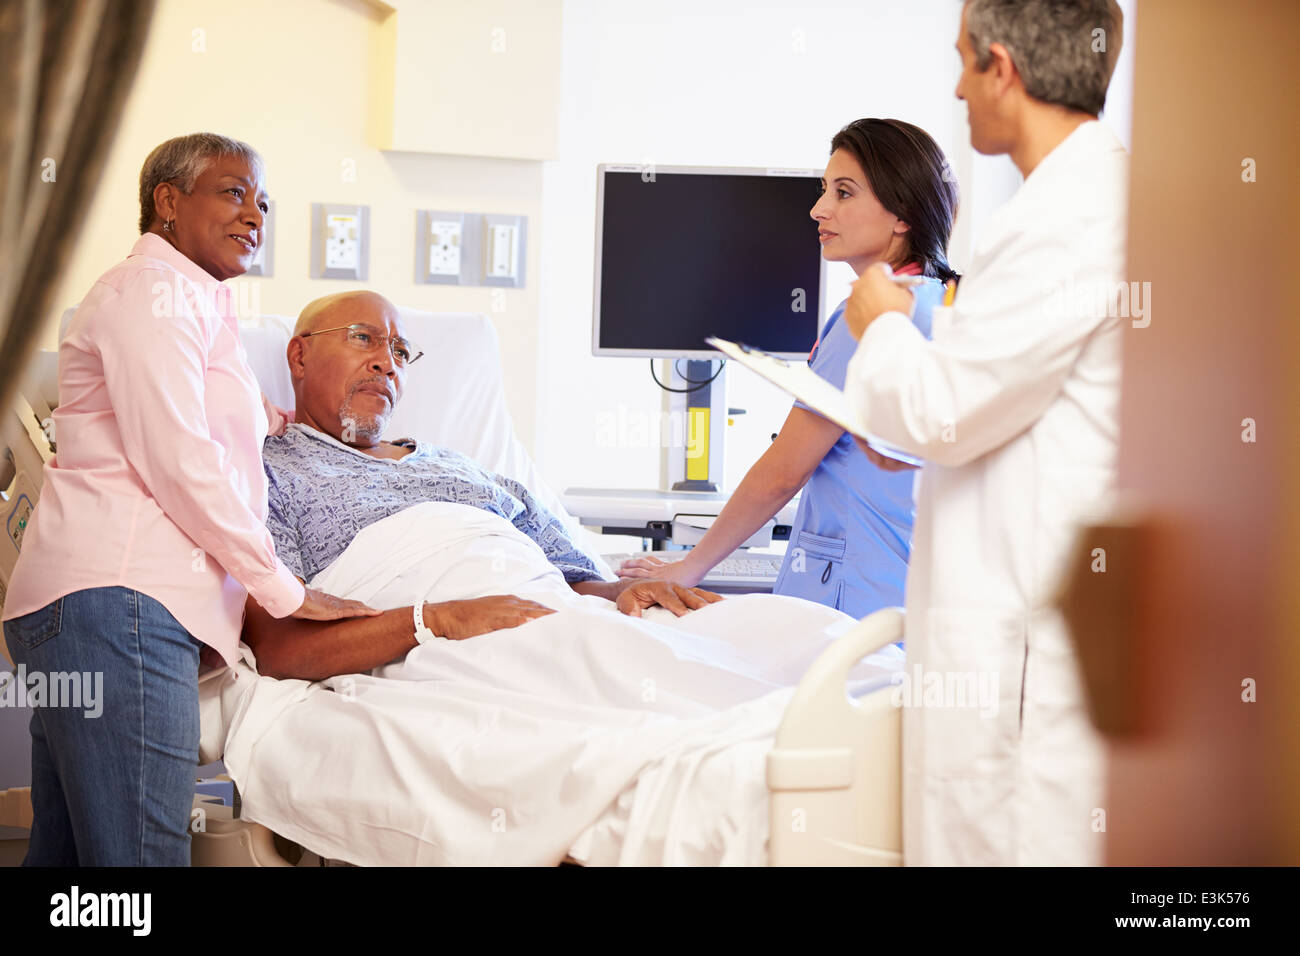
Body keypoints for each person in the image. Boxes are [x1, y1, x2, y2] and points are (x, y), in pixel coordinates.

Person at [1, 133, 377, 866]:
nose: (255, 215)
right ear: (167, 203)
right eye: (233, 192)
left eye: (263, 200)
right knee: (138, 863)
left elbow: (221, 418)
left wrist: (301, 421)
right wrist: (280, 588)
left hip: (89, 608)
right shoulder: (151, 293)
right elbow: (177, 456)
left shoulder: (193, 306)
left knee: (74, 865)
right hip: (120, 602)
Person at [840, 0, 1126, 865]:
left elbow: (945, 410)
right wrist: (910, 425)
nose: (958, 88)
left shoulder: (1070, 222)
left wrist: (880, 323)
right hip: (1006, 612)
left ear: (1002, 66)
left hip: (1020, 642)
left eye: (965, 62)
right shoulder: (1061, 210)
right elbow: (970, 416)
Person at [245, 291, 723, 680]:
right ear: (299, 355)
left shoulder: (466, 470)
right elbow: (280, 650)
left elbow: (572, 583)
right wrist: (440, 618)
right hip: (447, 655)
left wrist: (622, 591)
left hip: (554, 624)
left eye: (400, 352)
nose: (387, 363)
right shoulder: (267, 472)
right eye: (363, 338)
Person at [617, 118, 957, 621]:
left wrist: (685, 569)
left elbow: (783, 472)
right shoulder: (941, 305)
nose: (819, 209)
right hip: (902, 598)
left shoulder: (870, 318)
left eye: (844, 193)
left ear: (902, 213)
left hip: (851, 604)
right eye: (824, 190)